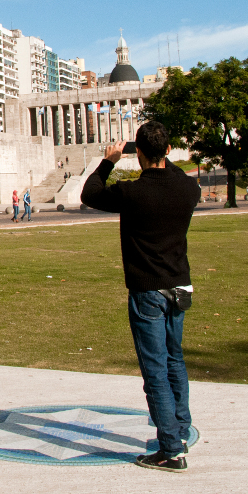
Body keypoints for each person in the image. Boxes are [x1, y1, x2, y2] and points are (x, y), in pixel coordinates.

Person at [81, 121, 201, 473]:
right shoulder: (188, 189)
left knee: (156, 370)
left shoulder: (132, 192)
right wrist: (158, 154)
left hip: (148, 289)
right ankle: (178, 428)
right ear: (167, 151)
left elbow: (90, 193)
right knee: (174, 359)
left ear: (140, 153)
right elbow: (173, 175)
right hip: (180, 286)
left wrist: (109, 161)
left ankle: (170, 450)